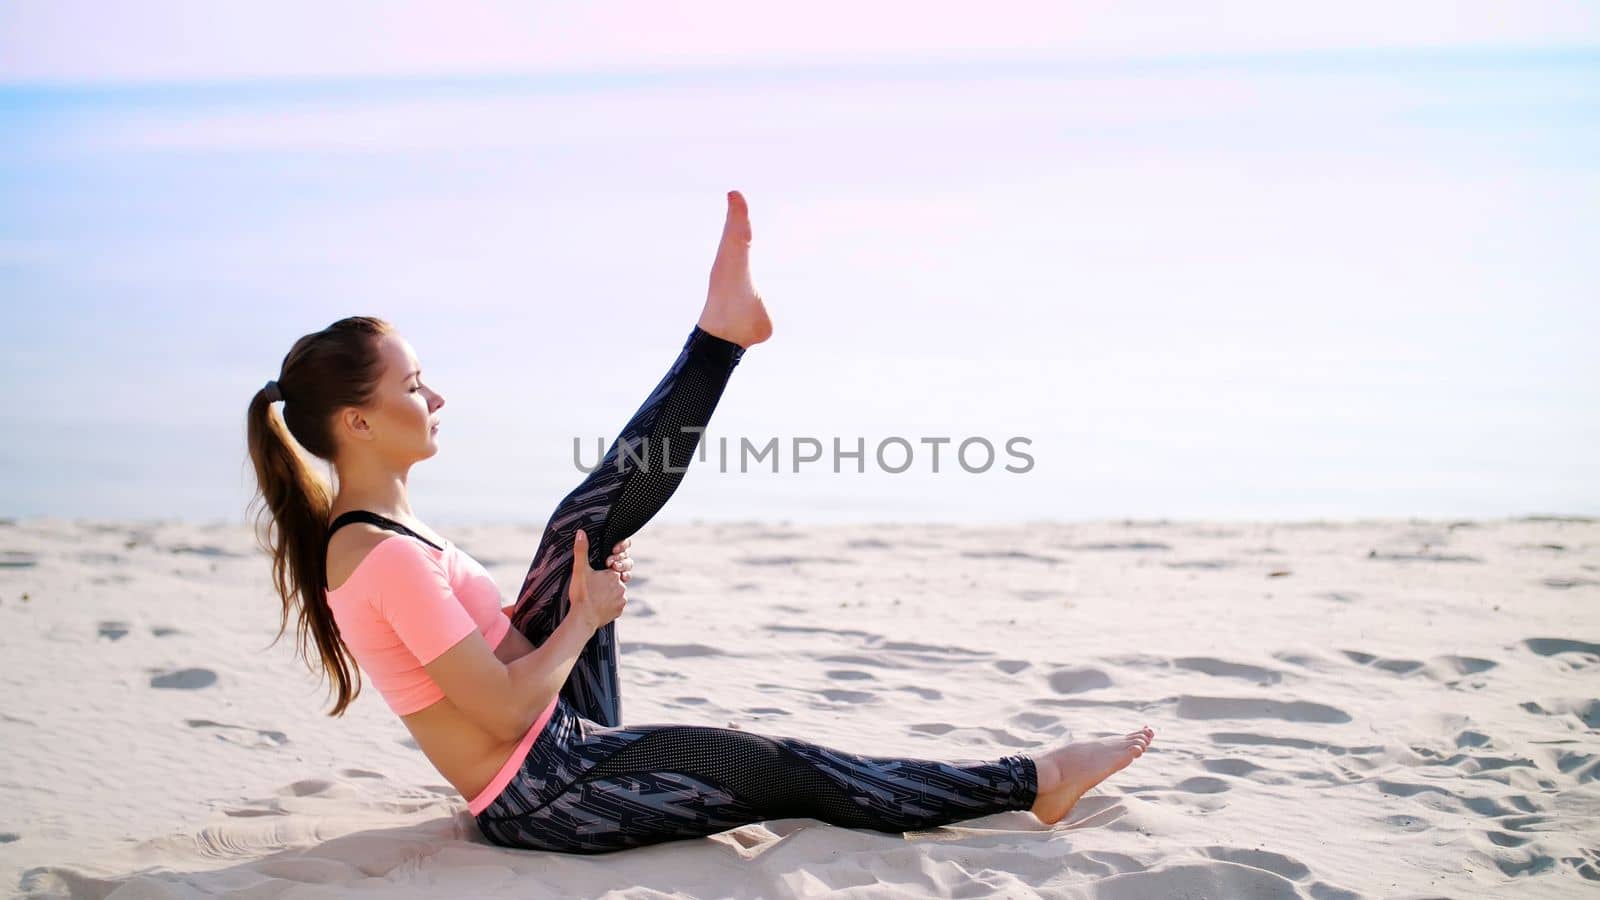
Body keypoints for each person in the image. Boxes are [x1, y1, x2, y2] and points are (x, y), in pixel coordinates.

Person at [246, 190, 1154, 855]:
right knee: (775, 766)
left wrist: (574, 607)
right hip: (545, 793)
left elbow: (509, 682)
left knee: (580, 523)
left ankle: (718, 338)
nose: (435, 395)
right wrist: (583, 619)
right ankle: (1033, 782)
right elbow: (505, 707)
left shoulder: (389, 533)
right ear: (357, 423)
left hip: (551, 741)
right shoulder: (376, 553)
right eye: (413, 386)